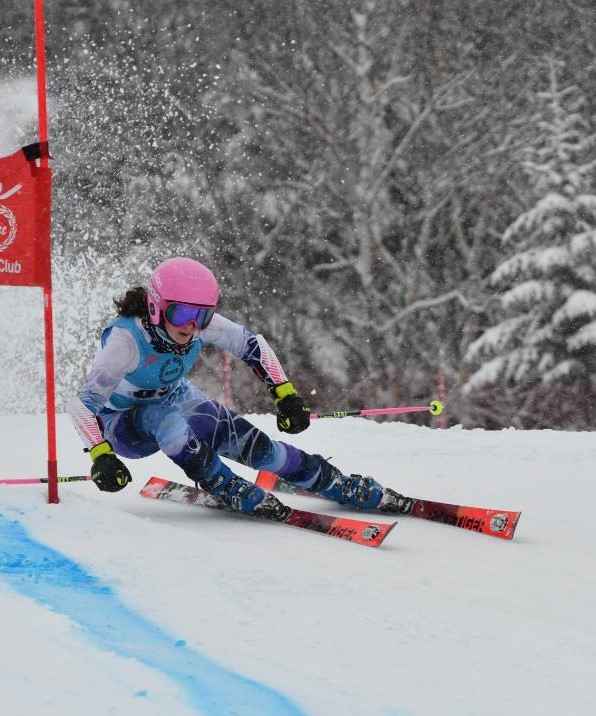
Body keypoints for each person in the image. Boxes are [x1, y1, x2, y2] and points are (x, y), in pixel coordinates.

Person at [67, 257, 411, 519]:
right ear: (157, 307)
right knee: (165, 419)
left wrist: (285, 395)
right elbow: (82, 405)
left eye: (201, 316)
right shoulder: (127, 341)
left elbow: (253, 346)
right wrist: (101, 455)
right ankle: (222, 482)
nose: (191, 326)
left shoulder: (200, 327)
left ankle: (332, 480)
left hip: (173, 396)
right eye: (182, 313)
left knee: (252, 444)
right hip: (122, 424)